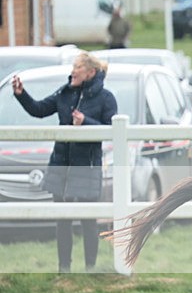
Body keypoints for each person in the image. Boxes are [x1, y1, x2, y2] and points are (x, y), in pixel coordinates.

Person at [12, 52, 118, 273]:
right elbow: (39, 110)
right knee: (63, 220)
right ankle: (64, 270)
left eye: (77, 67)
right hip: (61, 164)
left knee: (88, 221)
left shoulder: (106, 98)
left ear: (90, 72)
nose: (72, 71)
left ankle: (90, 269)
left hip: (87, 166)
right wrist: (22, 95)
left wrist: (85, 122)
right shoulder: (64, 93)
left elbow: (111, 129)